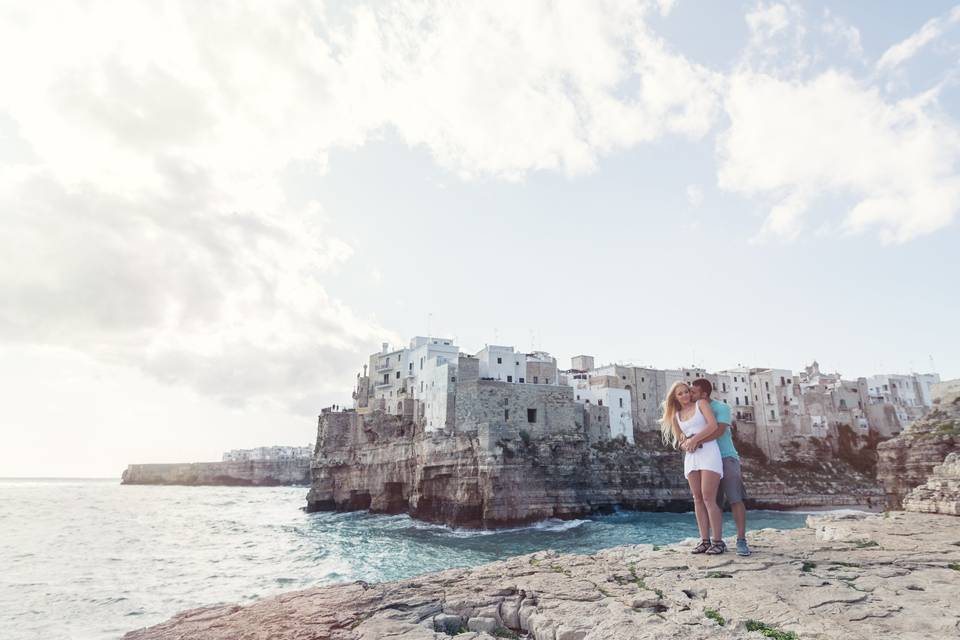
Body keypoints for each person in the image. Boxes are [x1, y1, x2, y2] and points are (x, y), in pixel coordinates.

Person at [659, 381, 725, 555]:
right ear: (675, 397)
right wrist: (686, 445)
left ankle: (718, 542)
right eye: (680, 393)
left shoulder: (701, 404)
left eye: (686, 391)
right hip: (691, 457)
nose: (685, 395)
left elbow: (713, 426)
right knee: (697, 499)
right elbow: (680, 441)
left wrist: (694, 440)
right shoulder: (675, 416)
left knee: (709, 498)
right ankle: (704, 541)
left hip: (709, 453)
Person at [690, 378, 752, 556]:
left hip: (726, 457)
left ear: (704, 394)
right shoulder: (694, 410)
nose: (690, 394)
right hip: (707, 460)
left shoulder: (721, 408)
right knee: (711, 501)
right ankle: (713, 542)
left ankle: (741, 540)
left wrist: (696, 441)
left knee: (735, 498)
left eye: (694, 392)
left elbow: (718, 431)